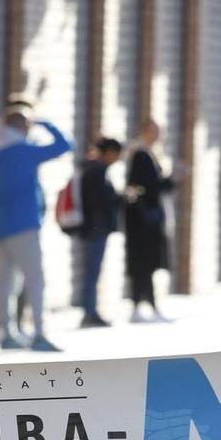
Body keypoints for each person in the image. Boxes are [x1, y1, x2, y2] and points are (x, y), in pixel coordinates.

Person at [0, 101, 73, 353]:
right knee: (35, 278)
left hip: (1, 225)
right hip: (25, 223)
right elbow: (65, 145)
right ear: (22, 126)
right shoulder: (24, 150)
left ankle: (7, 332)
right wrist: (44, 122)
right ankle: (39, 333)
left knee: (6, 281)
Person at [124, 120, 178, 322]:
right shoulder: (141, 155)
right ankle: (142, 306)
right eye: (155, 131)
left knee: (147, 265)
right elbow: (148, 187)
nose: (158, 135)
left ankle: (146, 306)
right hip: (141, 222)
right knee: (142, 264)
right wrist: (171, 179)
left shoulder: (151, 155)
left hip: (147, 221)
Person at [77, 137, 124, 328]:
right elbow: (100, 201)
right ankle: (89, 311)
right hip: (96, 229)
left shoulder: (93, 169)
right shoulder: (96, 170)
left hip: (96, 228)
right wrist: (120, 198)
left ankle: (90, 310)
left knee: (93, 271)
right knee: (92, 271)